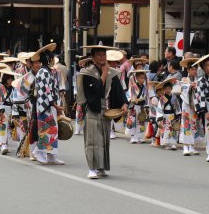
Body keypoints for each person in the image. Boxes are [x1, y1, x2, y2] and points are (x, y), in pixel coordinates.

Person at [77, 44, 128, 179]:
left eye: (103, 54)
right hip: (93, 108)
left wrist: (123, 103)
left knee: (104, 139)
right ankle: (91, 168)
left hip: (106, 109)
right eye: (99, 55)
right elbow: (96, 91)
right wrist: (104, 73)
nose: (102, 57)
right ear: (93, 58)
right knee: (92, 139)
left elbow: (118, 90)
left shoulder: (112, 72)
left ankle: (101, 167)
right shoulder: (87, 73)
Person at [32, 43, 65, 165]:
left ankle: (51, 155)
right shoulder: (44, 72)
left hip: (48, 105)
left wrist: (56, 104)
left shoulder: (47, 71)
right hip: (44, 106)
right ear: (49, 59)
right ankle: (39, 152)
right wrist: (54, 104)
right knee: (46, 130)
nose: (53, 61)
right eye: (52, 59)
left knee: (52, 130)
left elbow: (51, 89)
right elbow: (45, 91)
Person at [178, 58, 203, 156]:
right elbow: (182, 89)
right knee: (186, 124)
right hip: (187, 105)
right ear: (188, 70)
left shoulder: (198, 80)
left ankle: (192, 146)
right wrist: (189, 86)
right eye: (192, 69)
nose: (194, 71)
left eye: (195, 69)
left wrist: (196, 86)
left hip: (195, 106)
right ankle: (185, 146)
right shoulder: (185, 79)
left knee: (194, 125)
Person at [0, 69, 20, 155]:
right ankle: (3, 145)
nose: (10, 81)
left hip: (12, 108)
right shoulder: (0, 89)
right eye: (8, 79)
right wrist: (0, 111)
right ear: (5, 79)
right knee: (3, 126)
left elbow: (16, 100)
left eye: (12, 79)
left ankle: (7, 144)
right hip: (3, 108)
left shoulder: (14, 89)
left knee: (11, 128)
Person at [156, 78, 181, 150]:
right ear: (163, 90)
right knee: (166, 130)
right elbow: (160, 108)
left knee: (173, 129)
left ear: (171, 89)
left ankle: (173, 143)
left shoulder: (174, 97)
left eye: (169, 88)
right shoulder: (162, 98)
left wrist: (177, 114)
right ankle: (166, 143)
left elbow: (177, 106)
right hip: (165, 116)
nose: (168, 90)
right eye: (166, 88)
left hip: (172, 115)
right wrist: (160, 118)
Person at [125, 69, 149, 143]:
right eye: (141, 78)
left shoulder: (145, 88)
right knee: (133, 122)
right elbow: (128, 95)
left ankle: (140, 137)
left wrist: (145, 105)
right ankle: (133, 137)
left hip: (141, 106)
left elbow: (145, 97)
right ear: (137, 78)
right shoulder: (132, 87)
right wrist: (131, 99)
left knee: (141, 121)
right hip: (134, 106)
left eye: (143, 78)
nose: (142, 79)